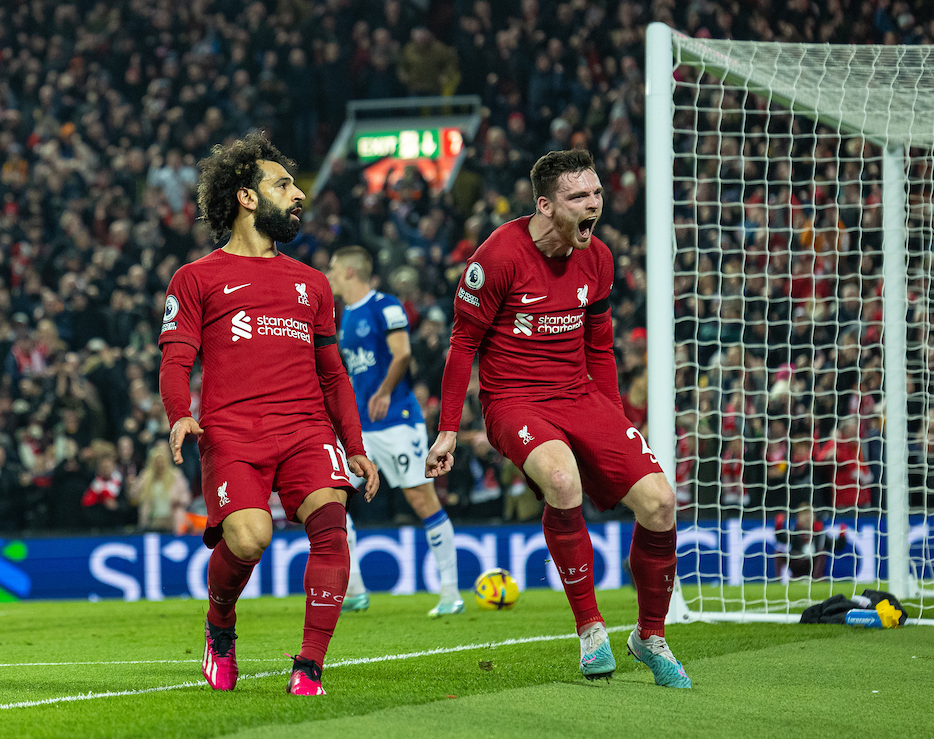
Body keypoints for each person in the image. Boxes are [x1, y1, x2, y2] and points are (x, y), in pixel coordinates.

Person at [425, 150, 690, 688]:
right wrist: (449, 428)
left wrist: (616, 421)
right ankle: (591, 631)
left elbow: (600, 347)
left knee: (661, 503)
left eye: (595, 193)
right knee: (563, 480)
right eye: (578, 197)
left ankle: (650, 636)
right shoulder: (497, 256)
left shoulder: (599, 259)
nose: (594, 204)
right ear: (546, 206)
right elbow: (462, 346)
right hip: (514, 401)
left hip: (581, 395)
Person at [159, 131, 379, 696]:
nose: (299, 194)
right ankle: (220, 627)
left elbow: (333, 375)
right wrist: (179, 413)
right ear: (247, 198)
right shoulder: (196, 278)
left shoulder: (312, 284)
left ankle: (308, 667)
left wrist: (353, 446)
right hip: (232, 433)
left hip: (307, 430)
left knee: (331, 527)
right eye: (284, 184)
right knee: (251, 537)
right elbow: (177, 356)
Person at [326, 245, 462, 617]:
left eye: (335, 268)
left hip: (398, 420)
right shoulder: (347, 315)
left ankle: (451, 593)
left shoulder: (384, 305)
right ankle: (354, 589)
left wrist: (385, 391)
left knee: (421, 499)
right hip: (361, 428)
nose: (331, 274)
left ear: (351, 272)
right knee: (333, 496)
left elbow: (401, 353)